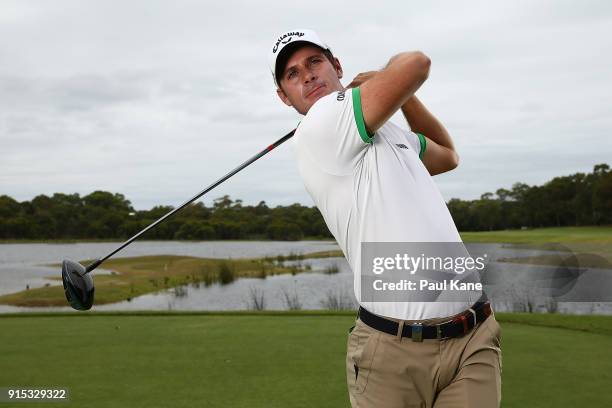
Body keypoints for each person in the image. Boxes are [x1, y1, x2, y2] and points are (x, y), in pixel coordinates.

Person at [269, 29, 502, 407]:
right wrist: (385, 76)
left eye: (314, 62)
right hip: (394, 351)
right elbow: (416, 64)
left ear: (336, 66)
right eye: (292, 74)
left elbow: (446, 156)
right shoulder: (322, 123)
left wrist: (406, 99)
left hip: (473, 336)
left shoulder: (387, 130)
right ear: (284, 97)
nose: (307, 75)